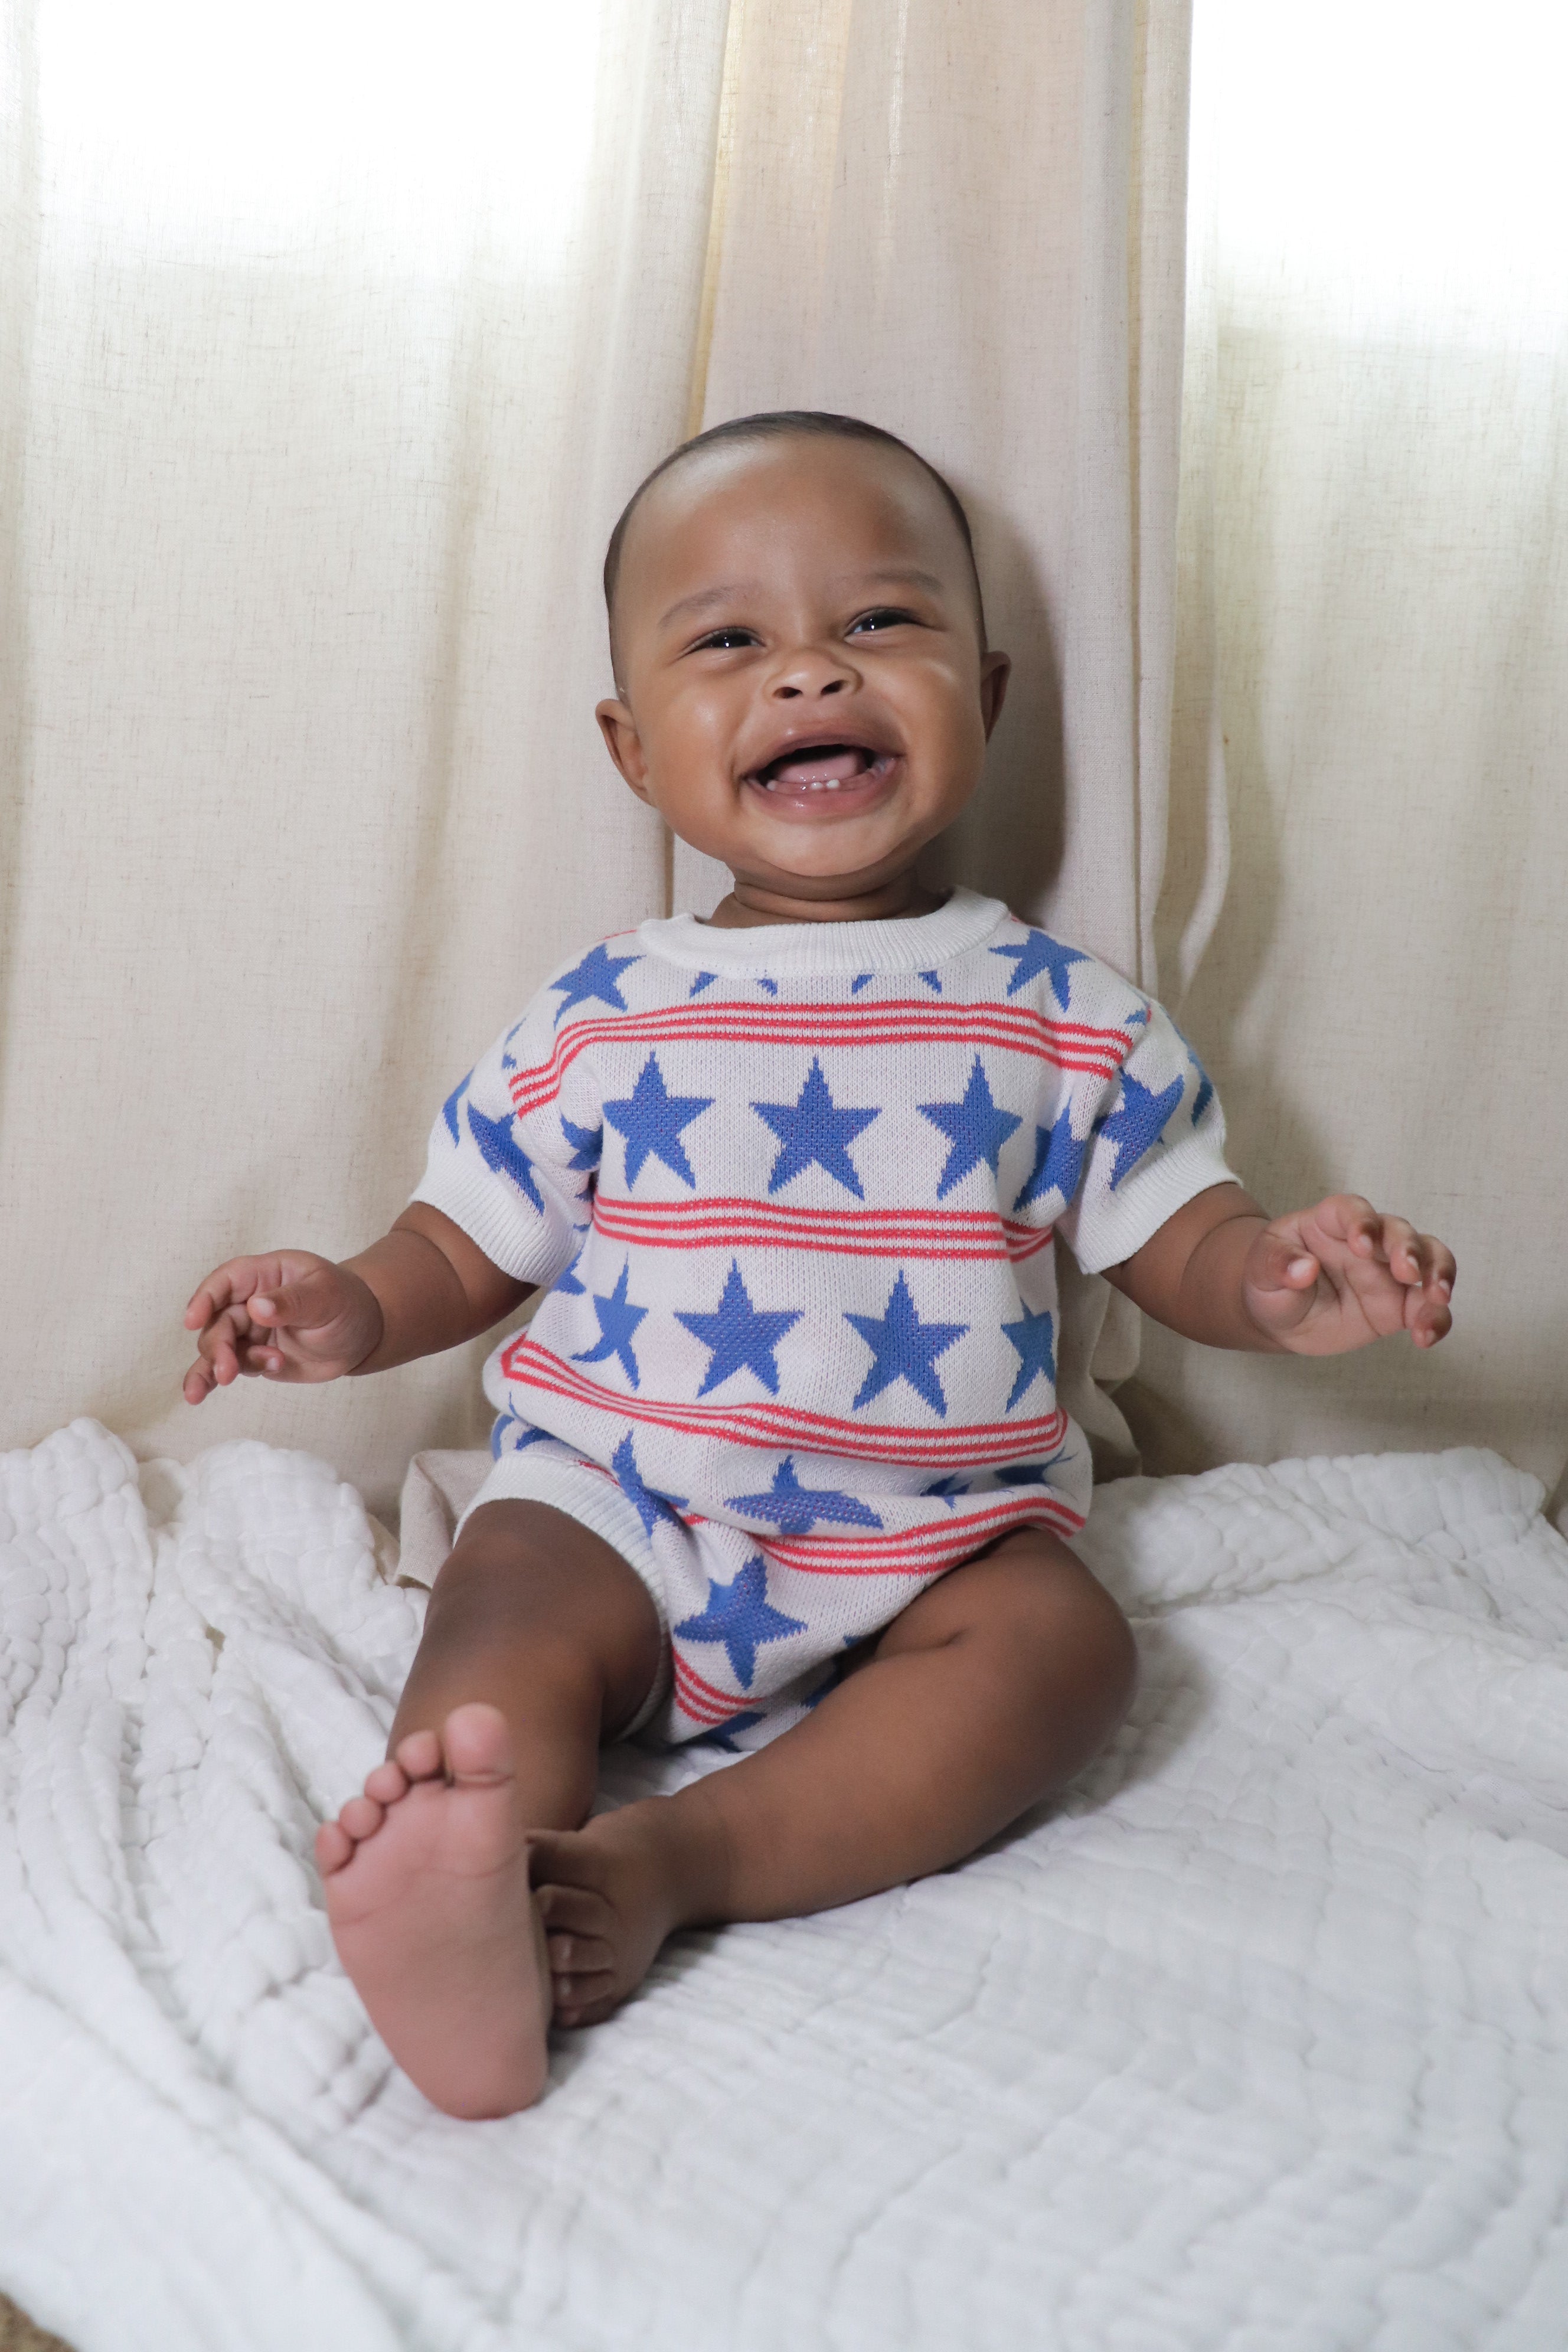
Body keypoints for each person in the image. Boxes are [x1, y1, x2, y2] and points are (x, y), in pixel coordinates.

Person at [182, 412, 1456, 2119]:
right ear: (636, 750)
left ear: (985, 702)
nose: (805, 677)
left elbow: (1178, 1236)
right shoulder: (607, 1011)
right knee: (509, 1604)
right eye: (730, 643)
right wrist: (347, 1304)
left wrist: (1284, 1283)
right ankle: (483, 1859)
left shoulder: (1060, 1014)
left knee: (1064, 1649)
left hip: (936, 1535)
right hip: (620, 1503)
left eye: (878, 624)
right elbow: (464, 1243)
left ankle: (662, 1869)